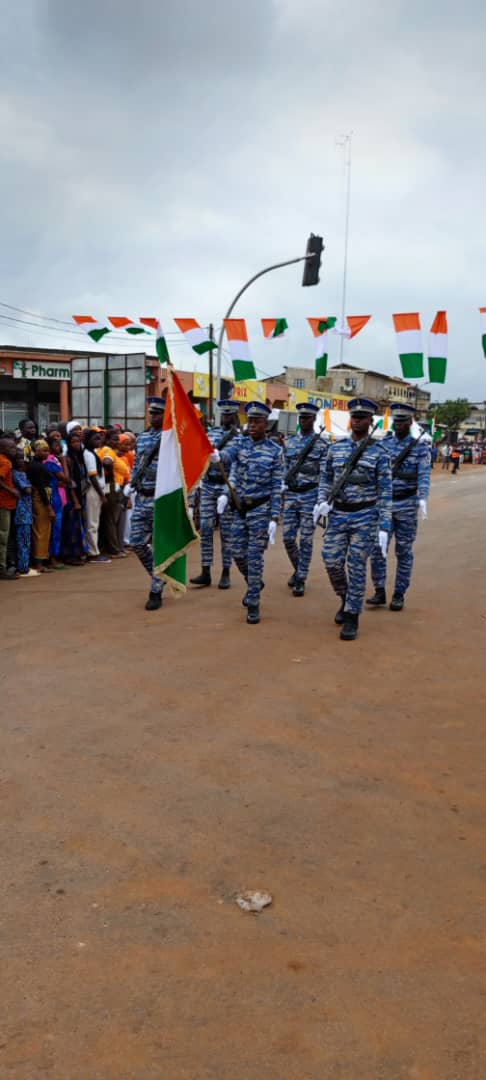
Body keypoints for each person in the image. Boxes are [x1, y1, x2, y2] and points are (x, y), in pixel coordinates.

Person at [314, 397, 392, 641]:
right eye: (354, 417)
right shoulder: (335, 448)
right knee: (331, 561)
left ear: (371, 421)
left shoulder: (380, 452)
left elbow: (386, 491)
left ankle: (352, 616)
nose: (357, 421)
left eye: (363, 417)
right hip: (338, 515)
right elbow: (325, 478)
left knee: (357, 566)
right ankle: (345, 597)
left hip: (365, 516)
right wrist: (321, 501)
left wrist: (384, 524)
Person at [216, 401, 284, 625]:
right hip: (240, 508)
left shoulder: (275, 451)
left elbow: (276, 487)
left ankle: (253, 601)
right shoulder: (240, 444)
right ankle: (254, 582)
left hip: (261, 510)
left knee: (255, 557)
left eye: (257, 421)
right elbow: (228, 457)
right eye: (250, 421)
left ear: (266, 424)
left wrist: (274, 517)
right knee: (237, 553)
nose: (252, 425)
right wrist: (217, 456)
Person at [366, 403, 430, 613]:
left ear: (410, 422)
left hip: (407, 504)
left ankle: (399, 593)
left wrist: (423, 496)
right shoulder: (384, 444)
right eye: (397, 421)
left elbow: (423, 474)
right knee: (378, 548)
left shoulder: (420, 447)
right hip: (384, 503)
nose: (399, 424)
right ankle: (379, 590)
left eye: (403, 421)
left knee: (403, 551)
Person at [190, 399, 240, 590]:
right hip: (209, 485)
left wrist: (228, 493)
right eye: (223, 414)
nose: (226, 417)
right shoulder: (212, 433)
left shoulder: (240, 438)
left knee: (226, 531)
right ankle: (205, 571)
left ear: (235, 415)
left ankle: (226, 571)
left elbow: (236, 467)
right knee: (205, 527)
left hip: (226, 487)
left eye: (229, 414)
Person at [282, 402, 328, 597]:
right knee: (288, 538)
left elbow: (326, 474)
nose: (303, 421)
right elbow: (285, 466)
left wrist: (321, 500)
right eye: (301, 417)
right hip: (292, 494)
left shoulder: (322, 445)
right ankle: (299, 568)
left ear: (314, 419)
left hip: (311, 495)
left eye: (307, 417)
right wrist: (283, 483)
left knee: (307, 540)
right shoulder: (290, 442)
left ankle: (301, 577)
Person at [129, 396, 165, 610]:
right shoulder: (142, 438)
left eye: (157, 413)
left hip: (161, 498)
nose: (152, 416)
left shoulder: (171, 438)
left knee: (159, 545)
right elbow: (137, 463)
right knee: (136, 543)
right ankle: (158, 575)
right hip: (142, 497)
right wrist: (131, 483)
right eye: (151, 412)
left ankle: (156, 588)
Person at [26, 440, 55, 572]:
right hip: (40, 500)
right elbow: (41, 488)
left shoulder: (37, 464)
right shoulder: (36, 466)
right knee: (41, 531)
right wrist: (49, 508)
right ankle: (38, 563)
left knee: (41, 530)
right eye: (44, 450)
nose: (46, 453)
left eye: (47, 450)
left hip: (41, 498)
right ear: (36, 451)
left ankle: (40, 561)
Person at [61, 431, 88, 565]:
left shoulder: (80, 457)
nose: (76, 444)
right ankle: (70, 555)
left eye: (78, 441)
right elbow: (69, 481)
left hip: (81, 494)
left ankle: (79, 553)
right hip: (72, 497)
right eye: (73, 442)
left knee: (80, 525)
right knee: (72, 526)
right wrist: (76, 501)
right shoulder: (68, 459)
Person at [83, 429, 110, 562]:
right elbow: (92, 477)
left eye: (99, 438)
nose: (98, 441)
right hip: (93, 490)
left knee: (94, 522)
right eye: (95, 439)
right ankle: (93, 552)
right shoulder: (88, 454)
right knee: (92, 523)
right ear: (87, 440)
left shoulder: (92, 453)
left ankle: (93, 549)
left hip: (97, 489)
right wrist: (102, 494)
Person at [12, 450, 38, 577]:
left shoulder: (20, 473)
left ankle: (23, 566)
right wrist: (30, 486)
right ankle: (23, 568)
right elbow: (28, 490)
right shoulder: (17, 474)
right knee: (24, 541)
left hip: (25, 510)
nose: (21, 461)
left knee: (24, 540)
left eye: (22, 458)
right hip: (22, 512)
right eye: (17, 458)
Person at [45, 431, 68, 568]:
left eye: (59, 445)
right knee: (55, 528)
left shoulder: (54, 459)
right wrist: (64, 462)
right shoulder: (50, 461)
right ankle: (52, 558)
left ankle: (55, 555)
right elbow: (65, 478)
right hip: (53, 497)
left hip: (59, 494)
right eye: (54, 445)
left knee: (57, 528)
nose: (58, 447)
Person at [0, 437, 19, 580]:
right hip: (4, 503)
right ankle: (2, 569)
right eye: (11, 448)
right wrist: (12, 491)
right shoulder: (5, 462)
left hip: (5, 503)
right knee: (3, 537)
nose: (14, 450)